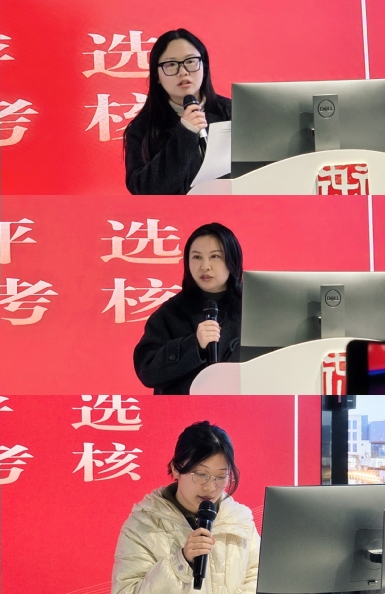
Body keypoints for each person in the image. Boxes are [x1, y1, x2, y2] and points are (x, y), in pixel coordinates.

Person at [112, 421, 259, 594]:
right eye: (201, 474)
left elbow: (259, 578)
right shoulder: (142, 525)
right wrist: (180, 563)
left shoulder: (239, 520)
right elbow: (126, 591)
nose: (210, 488)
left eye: (221, 476)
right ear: (176, 468)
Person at [133, 223, 242, 394]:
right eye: (197, 257)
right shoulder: (171, 313)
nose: (205, 266)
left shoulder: (253, 308)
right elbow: (147, 371)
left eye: (215, 256)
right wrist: (193, 345)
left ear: (232, 259)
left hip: (241, 402)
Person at [123, 29, 231, 195]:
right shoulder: (141, 129)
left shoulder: (231, 112)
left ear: (204, 66)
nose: (183, 71)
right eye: (171, 64)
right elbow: (143, 190)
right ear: (157, 76)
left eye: (191, 61)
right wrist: (185, 134)